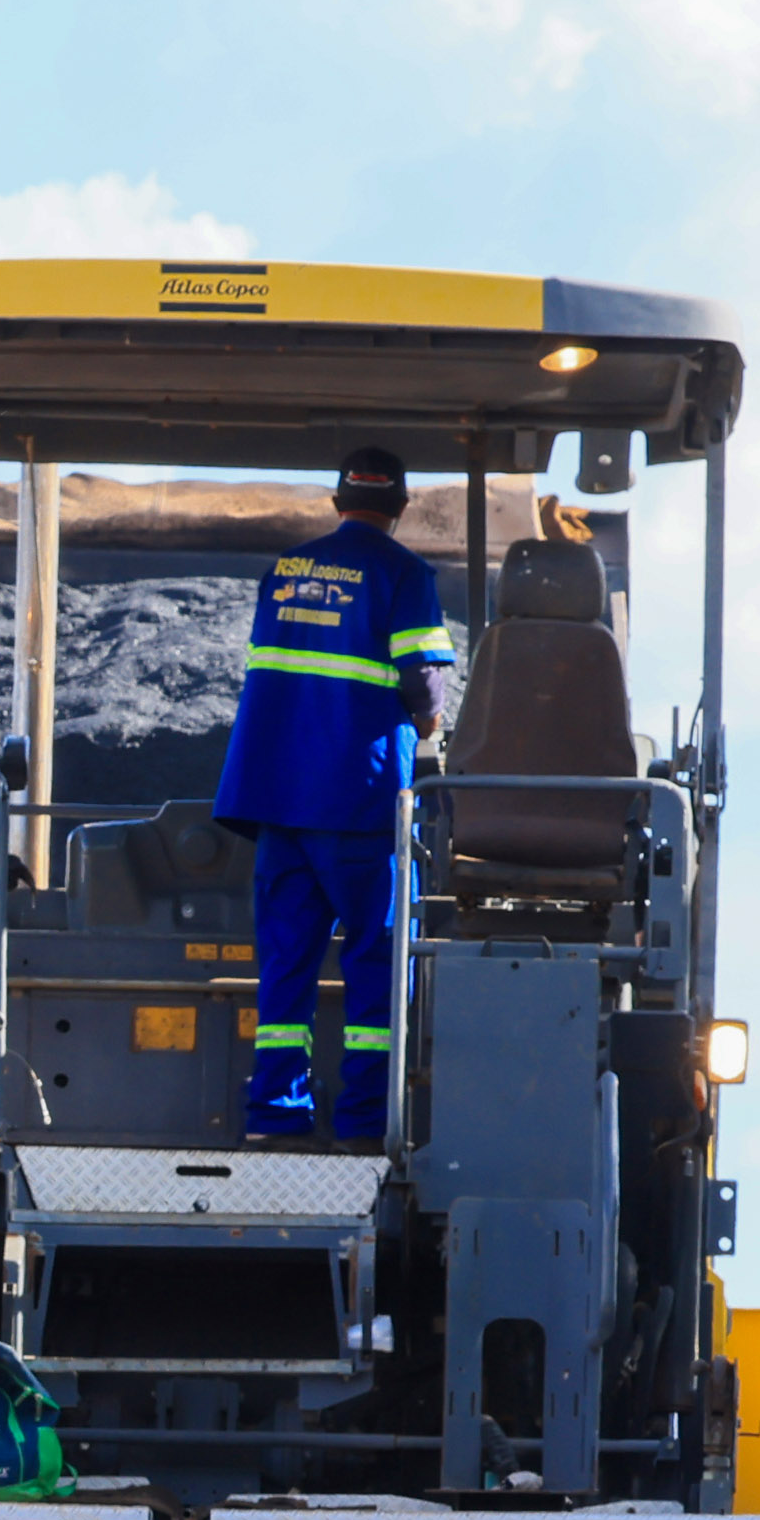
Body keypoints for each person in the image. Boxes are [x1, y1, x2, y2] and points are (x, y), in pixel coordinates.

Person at [217, 447, 454, 1141]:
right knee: (376, 957)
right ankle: (363, 1121)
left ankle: (273, 1115)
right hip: (359, 798)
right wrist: (431, 725)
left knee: (286, 958)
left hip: (276, 796)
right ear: (401, 506)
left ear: (335, 500)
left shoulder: (284, 571)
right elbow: (424, 682)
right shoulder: (404, 574)